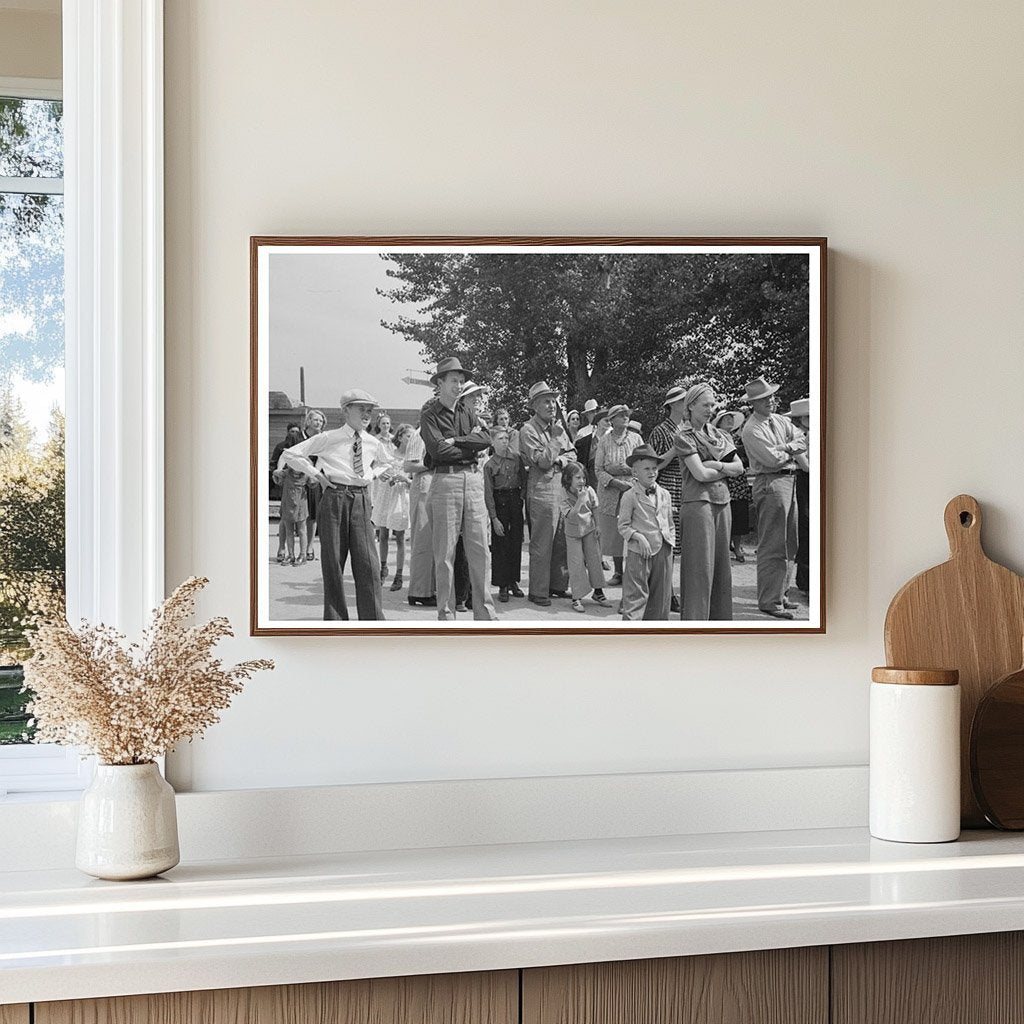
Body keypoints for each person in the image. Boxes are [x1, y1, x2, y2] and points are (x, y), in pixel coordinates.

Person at [281, 388, 393, 620]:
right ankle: (335, 621)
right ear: (345, 410)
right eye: (361, 408)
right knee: (333, 562)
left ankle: (372, 622)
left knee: (368, 564)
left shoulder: (372, 442)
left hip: (362, 499)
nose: (367, 414)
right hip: (335, 498)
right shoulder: (329, 438)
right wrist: (316, 474)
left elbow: (387, 463)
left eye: (370, 410)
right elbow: (292, 454)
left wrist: (372, 474)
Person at [419, 356, 497, 621]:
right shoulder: (429, 413)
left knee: (480, 550)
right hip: (446, 481)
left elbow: (486, 439)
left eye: (461, 381)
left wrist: (458, 440)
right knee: (445, 554)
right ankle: (447, 615)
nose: (458, 385)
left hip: (474, 482)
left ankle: (485, 613)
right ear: (439, 383)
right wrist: (468, 448)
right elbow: (437, 449)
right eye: (454, 380)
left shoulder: (467, 411)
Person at [675, 384, 745, 620]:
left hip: (723, 503)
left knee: (721, 569)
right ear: (691, 406)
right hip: (698, 504)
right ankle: (694, 625)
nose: (711, 409)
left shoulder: (720, 435)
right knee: (699, 570)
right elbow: (699, 475)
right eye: (705, 405)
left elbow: (740, 467)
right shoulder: (684, 436)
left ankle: (720, 625)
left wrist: (717, 466)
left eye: (713, 404)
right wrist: (726, 469)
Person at [740, 376, 808, 620]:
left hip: (788, 479)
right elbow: (771, 459)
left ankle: (780, 594)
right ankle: (769, 600)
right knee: (773, 544)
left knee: (791, 542)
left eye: (770, 396)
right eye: (763, 398)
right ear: (753, 404)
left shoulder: (778, 420)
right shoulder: (751, 428)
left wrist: (785, 448)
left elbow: (803, 439)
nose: (770, 400)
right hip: (770, 482)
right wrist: (790, 448)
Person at [519, 381, 575, 606]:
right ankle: (538, 591)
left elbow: (573, 453)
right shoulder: (528, 430)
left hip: (560, 486)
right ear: (534, 405)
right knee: (542, 541)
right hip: (541, 488)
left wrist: (559, 459)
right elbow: (542, 462)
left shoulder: (557, 426)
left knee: (561, 539)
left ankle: (557, 585)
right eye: (545, 401)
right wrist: (554, 440)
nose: (552, 405)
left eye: (553, 401)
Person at [617, 445, 675, 620]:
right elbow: (623, 526)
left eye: (654, 468)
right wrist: (638, 536)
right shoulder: (629, 495)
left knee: (661, 598)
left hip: (663, 549)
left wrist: (670, 541)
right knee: (635, 597)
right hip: (639, 552)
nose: (652, 473)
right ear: (635, 472)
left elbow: (669, 521)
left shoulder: (665, 493)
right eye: (646, 469)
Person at [648, 385, 689, 613]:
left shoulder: (690, 428)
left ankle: (681, 591)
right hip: (668, 485)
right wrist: (675, 449)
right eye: (683, 401)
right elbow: (653, 464)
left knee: (685, 542)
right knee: (669, 542)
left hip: (688, 485)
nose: (686, 406)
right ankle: (668, 592)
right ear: (671, 405)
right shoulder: (661, 431)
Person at [594, 404, 642, 586]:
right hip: (611, 491)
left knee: (634, 528)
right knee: (615, 531)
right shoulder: (604, 441)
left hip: (632, 489)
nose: (625, 418)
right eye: (620, 415)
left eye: (626, 415)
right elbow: (598, 469)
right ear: (612, 420)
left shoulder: (636, 439)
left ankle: (632, 571)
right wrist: (615, 481)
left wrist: (628, 474)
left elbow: (642, 464)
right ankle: (618, 572)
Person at [484, 427, 527, 602]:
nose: (504, 441)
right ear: (492, 442)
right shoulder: (489, 465)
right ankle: (502, 584)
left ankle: (513, 582)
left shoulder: (516, 458)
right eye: (500, 438)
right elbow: (488, 493)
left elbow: (524, 480)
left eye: (506, 438)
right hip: (499, 501)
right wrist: (494, 519)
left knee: (515, 542)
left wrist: (521, 500)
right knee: (500, 543)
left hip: (515, 500)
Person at [560, 461, 608, 613]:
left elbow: (594, 507)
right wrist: (580, 500)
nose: (581, 481)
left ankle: (598, 592)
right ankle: (577, 597)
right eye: (577, 478)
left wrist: (598, 525)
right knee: (576, 563)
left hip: (589, 529)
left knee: (594, 559)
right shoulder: (562, 493)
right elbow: (570, 515)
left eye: (583, 478)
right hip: (572, 533)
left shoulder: (589, 490)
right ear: (568, 479)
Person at [373, 422, 414, 592]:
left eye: (413, 436)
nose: (411, 439)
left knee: (399, 536)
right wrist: (383, 475)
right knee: (383, 534)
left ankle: (399, 575)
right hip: (387, 494)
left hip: (401, 497)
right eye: (408, 436)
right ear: (399, 437)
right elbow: (378, 470)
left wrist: (405, 479)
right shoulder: (389, 454)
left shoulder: (413, 459)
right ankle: (383, 568)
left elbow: (416, 482)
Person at [403, 425, 437, 607]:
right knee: (423, 541)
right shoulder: (419, 434)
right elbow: (408, 465)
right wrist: (431, 464)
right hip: (424, 487)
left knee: (434, 543)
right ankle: (419, 592)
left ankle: (430, 588)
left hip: (437, 487)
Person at [713, 410, 752, 563]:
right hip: (725, 481)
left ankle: (737, 547)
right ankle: (725, 548)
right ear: (719, 422)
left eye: (731, 418)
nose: (730, 420)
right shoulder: (716, 436)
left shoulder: (737, 438)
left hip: (739, 483)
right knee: (726, 517)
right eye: (726, 418)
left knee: (740, 517)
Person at [785, 398, 812, 598]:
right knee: (806, 525)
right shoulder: (798, 438)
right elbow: (805, 465)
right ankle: (805, 579)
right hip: (805, 480)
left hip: (810, 479)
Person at [273, 425, 309, 566]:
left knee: (301, 529)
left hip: (301, 501)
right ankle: (291, 554)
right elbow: (277, 477)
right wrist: (277, 473)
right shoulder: (286, 472)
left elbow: (313, 480)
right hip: (288, 501)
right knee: (289, 530)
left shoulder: (306, 468)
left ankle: (303, 554)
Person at [271, 420, 301, 563]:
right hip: (284, 487)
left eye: (296, 432)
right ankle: (282, 548)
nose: (294, 434)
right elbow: (273, 463)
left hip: (300, 487)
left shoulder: (302, 448)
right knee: (284, 519)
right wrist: (277, 473)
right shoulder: (280, 447)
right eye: (291, 432)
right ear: (287, 432)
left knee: (300, 520)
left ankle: (299, 552)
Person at [300, 409, 327, 561]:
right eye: (316, 420)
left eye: (321, 421)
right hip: (298, 479)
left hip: (315, 479)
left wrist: (315, 475)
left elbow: (325, 459)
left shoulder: (323, 439)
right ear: (308, 421)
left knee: (313, 514)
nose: (319, 423)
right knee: (297, 516)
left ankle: (310, 546)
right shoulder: (299, 437)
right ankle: (297, 550)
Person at [574, 405, 608, 489]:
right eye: (606, 421)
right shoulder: (583, 442)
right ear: (598, 422)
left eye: (610, 421)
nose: (609, 423)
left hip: (607, 484)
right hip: (589, 484)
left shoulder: (610, 441)